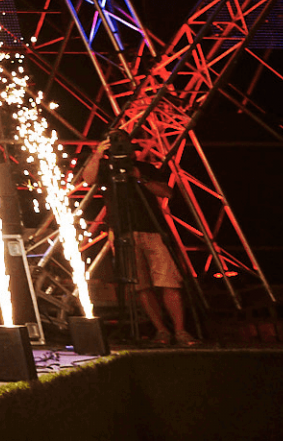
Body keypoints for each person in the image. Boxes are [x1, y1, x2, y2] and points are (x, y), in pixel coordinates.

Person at [81, 129, 199, 346]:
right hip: (122, 231)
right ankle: (161, 331)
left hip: (152, 230)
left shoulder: (144, 168)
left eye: (122, 142)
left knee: (169, 281)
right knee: (141, 286)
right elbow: (88, 178)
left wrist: (140, 177)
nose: (118, 146)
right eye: (113, 142)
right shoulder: (105, 168)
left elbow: (167, 192)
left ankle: (181, 331)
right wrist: (97, 154)